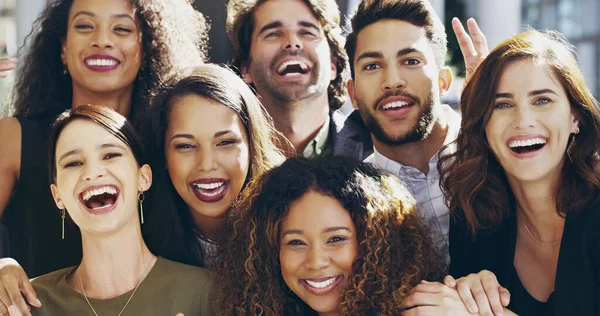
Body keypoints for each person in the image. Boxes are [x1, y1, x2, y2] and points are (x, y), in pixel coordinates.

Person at [0, 0, 207, 285]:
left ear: (147, 49)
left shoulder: (168, 143)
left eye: (121, 28)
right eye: (85, 26)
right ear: (62, 48)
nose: (102, 40)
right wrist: (3, 265)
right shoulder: (13, 139)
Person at [439, 29, 600, 315]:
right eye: (502, 104)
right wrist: (465, 295)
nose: (523, 121)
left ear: (575, 116)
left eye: (542, 100)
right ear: (483, 125)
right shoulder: (473, 215)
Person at [25, 105, 214, 316]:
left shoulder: (205, 292)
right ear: (57, 195)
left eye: (110, 155)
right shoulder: (29, 302)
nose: (93, 172)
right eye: (73, 163)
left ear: (143, 178)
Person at [215, 156, 447, 315]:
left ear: (379, 242)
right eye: (295, 242)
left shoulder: (438, 309)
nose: (316, 261)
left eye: (336, 239)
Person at [143, 64, 286, 268]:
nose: (207, 164)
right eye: (185, 146)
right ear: (163, 155)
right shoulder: (141, 241)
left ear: (252, 145)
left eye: (225, 142)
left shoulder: (290, 223)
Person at [226, 0, 372, 159]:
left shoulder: (375, 149)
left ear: (333, 65)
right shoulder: (223, 157)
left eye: (307, 32)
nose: (292, 42)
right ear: (245, 69)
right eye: (273, 34)